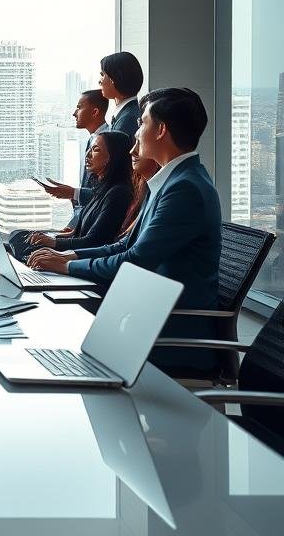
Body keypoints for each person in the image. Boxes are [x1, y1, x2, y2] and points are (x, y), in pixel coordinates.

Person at [27, 88, 221, 371]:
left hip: (166, 333)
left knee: (58, 342)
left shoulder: (184, 189)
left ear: (161, 130)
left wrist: (67, 268)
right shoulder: (171, 181)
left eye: (142, 122)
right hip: (145, 317)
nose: (137, 131)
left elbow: (135, 261)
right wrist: (70, 257)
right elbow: (124, 246)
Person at [14, 130, 133, 261]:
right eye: (89, 149)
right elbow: (77, 234)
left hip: (83, 258)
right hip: (76, 249)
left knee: (23, 248)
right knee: (18, 237)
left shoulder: (118, 193)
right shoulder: (101, 189)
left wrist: (53, 242)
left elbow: (93, 242)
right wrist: (51, 237)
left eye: (95, 150)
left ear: (113, 157)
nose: (88, 155)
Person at [39, 89, 109, 228]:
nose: (74, 113)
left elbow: (106, 195)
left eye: (79, 107)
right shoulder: (92, 140)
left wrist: (74, 193)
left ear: (94, 112)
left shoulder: (107, 144)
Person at [99, 50, 145, 137]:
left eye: (102, 74)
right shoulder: (131, 112)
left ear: (114, 79)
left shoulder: (127, 120)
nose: (99, 81)